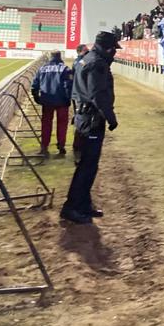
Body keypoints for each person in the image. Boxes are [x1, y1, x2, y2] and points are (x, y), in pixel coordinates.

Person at [61, 32, 119, 225]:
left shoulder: (85, 59)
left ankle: (83, 204)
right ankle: (72, 207)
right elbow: (98, 94)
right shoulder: (97, 64)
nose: (114, 54)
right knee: (87, 166)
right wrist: (111, 118)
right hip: (91, 120)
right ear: (107, 48)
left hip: (83, 117)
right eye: (113, 49)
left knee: (88, 165)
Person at [31, 51, 73, 158]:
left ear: (50, 57)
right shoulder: (65, 69)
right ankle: (61, 146)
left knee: (46, 124)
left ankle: (44, 147)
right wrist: (69, 99)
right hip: (62, 101)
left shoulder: (42, 69)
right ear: (60, 57)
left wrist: (37, 98)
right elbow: (68, 86)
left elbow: (34, 85)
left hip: (47, 100)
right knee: (62, 124)